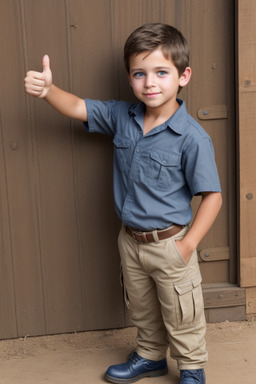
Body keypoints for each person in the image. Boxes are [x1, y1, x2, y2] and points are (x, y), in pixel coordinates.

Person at [24, 23, 222, 384]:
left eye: (162, 72)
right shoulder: (122, 116)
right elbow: (77, 107)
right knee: (142, 307)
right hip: (130, 241)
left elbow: (212, 196)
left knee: (182, 311)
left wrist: (188, 245)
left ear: (183, 76)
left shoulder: (192, 137)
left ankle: (192, 368)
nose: (150, 82)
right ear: (129, 78)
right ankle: (150, 357)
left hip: (170, 245)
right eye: (139, 73)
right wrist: (49, 90)